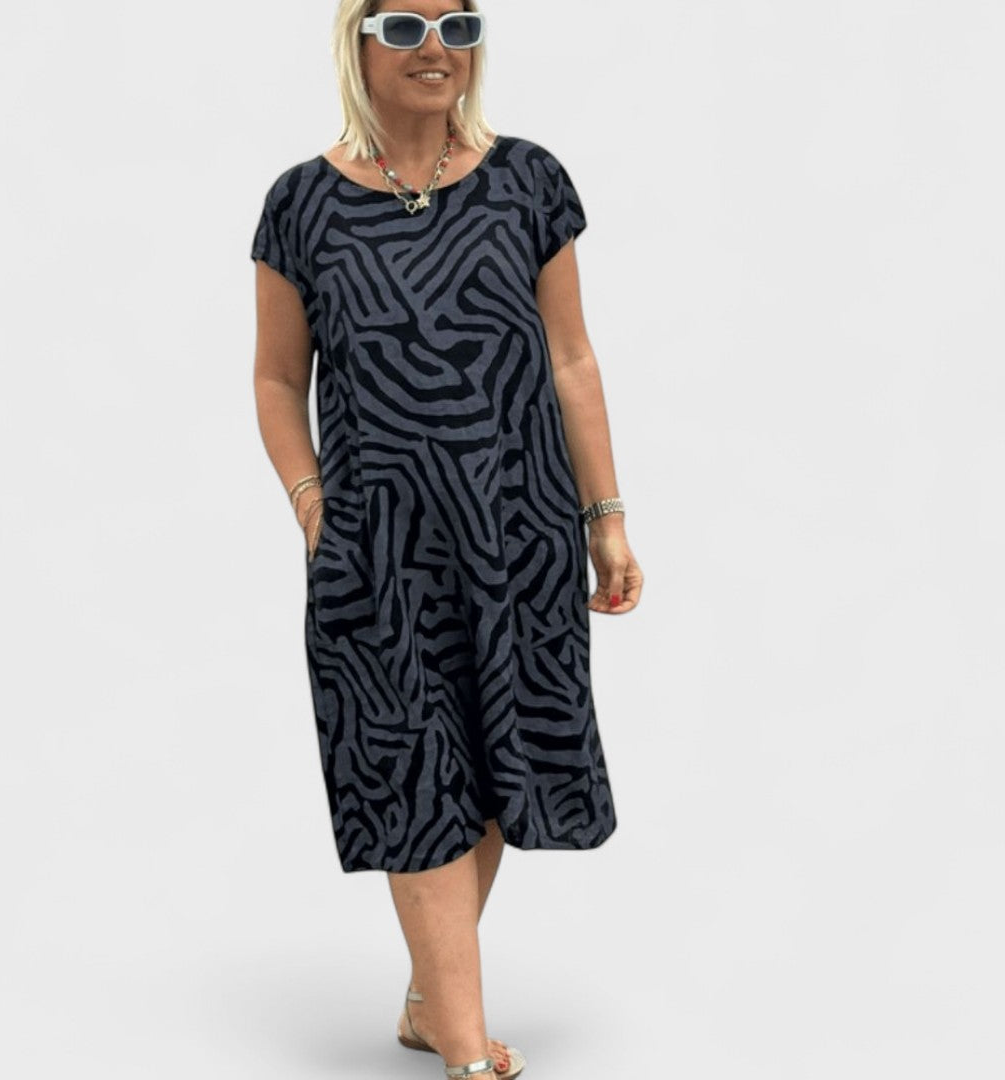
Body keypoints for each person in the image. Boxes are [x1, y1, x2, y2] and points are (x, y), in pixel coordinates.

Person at [250, 2, 642, 1077]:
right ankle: (466, 1044)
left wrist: (606, 520)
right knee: (410, 764)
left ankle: (432, 1003)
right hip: (377, 547)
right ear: (358, 43)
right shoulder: (301, 204)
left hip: (521, 530)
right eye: (406, 25)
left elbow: (571, 359)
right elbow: (277, 378)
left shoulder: (528, 181)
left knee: (499, 760)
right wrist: (310, 500)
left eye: (458, 25)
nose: (435, 47)